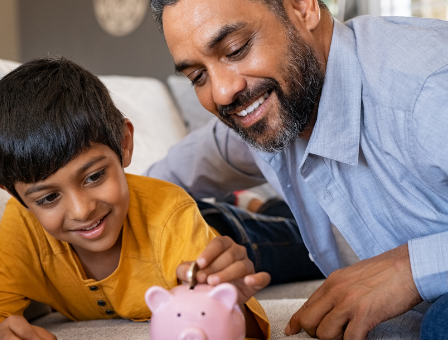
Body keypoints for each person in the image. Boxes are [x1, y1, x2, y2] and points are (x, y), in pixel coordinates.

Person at [148, 0, 448, 338]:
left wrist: (410, 267)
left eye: (235, 49)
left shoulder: (430, 87)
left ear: (303, 7)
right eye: (198, 76)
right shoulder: (259, 114)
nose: (221, 92)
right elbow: (150, 188)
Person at [0, 57, 272, 340]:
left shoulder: (169, 214)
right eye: (49, 197)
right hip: (176, 218)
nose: (83, 210)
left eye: (94, 177)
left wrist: (230, 301)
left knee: (287, 236)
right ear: (15, 194)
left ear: (124, 143)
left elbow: (243, 319)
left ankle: (256, 206)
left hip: (221, 229)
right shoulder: (22, 227)